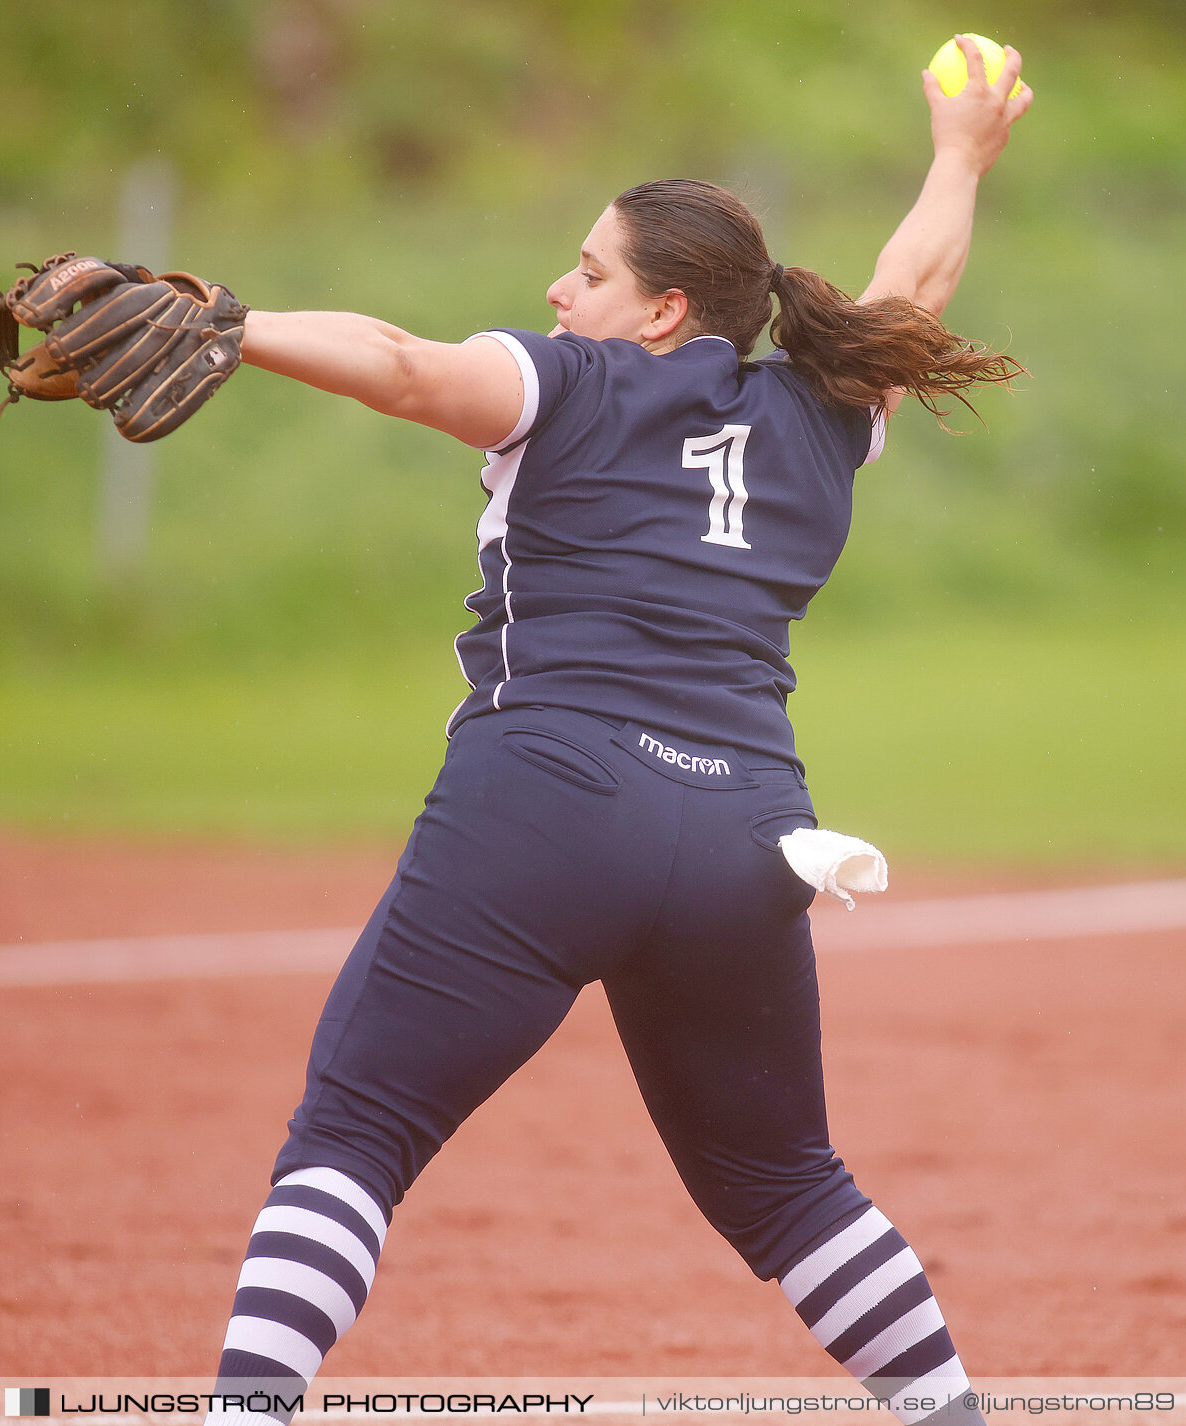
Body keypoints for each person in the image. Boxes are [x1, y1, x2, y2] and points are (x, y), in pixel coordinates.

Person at [206, 39, 1031, 1426]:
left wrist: (237, 325)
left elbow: (404, 367)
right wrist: (959, 156)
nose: (557, 289)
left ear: (665, 313)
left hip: (549, 799)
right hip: (750, 835)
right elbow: (918, 287)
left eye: (589, 271)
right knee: (786, 1184)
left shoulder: (570, 388)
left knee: (352, 1134)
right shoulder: (823, 414)